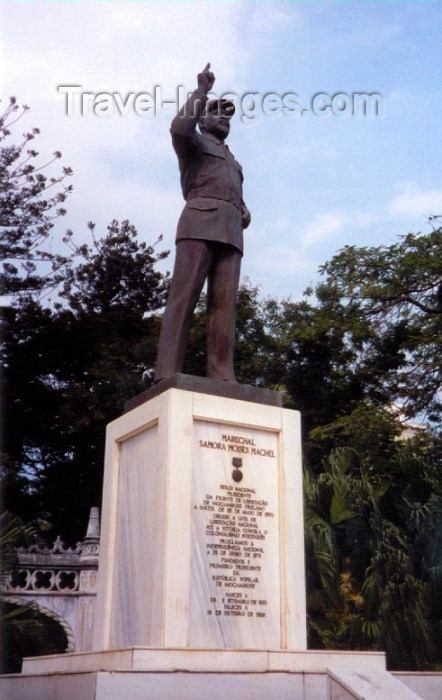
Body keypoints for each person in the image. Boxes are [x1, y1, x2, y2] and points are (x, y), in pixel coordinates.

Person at [154, 63, 250, 382]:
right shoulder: (193, 144)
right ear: (204, 119)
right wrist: (201, 92)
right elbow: (179, 128)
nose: (223, 117)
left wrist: (244, 210)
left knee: (224, 308)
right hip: (199, 222)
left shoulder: (234, 162)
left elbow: (230, 189)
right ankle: (166, 371)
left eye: (227, 115)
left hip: (231, 232)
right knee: (184, 297)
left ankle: (222, 375)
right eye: (216, 112)